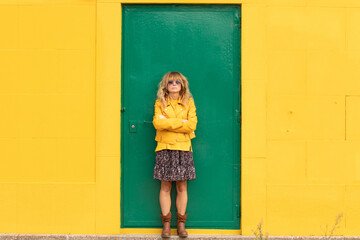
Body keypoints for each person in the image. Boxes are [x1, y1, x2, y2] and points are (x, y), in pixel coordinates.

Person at [152, 71, 197, 238]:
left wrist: (168, 123)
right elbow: (157, 123)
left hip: (184, 148)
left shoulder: (188, 103)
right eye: (170, 82)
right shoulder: (160, 103)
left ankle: (180, 225)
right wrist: (181, 123)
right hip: (164, 148)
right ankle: (165, 225)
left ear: (182, 85)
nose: (174, 84)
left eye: (177, 82)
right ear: (166, 85)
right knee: (165, 186)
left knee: (181, 186)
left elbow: (192, 125)